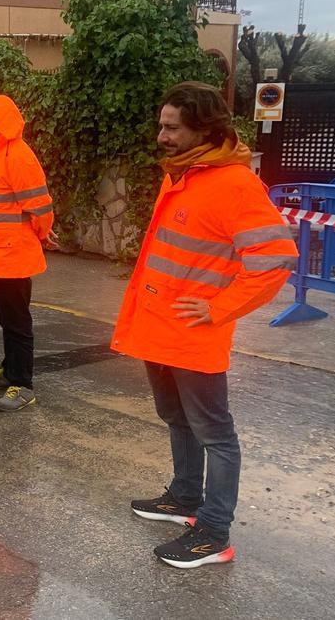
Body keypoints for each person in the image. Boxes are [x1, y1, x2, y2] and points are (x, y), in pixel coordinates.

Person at [113, 81, 298, 568]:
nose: (161, 136)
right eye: (161, 125)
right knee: (177, 419)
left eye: (171, 127)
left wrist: (219, 308)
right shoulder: (184, 175)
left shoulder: (234, 184)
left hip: (194, 336)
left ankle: (214, 533)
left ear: (204, 129)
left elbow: (276, 258)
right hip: (161, 329)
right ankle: (184, 498)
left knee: (216, 434)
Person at [0, 95, 54, 412]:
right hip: (0, 255)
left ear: (1, 124)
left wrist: (43, 234)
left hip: (14, 255)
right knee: (6, 317)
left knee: (17, 321)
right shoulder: (0, 154)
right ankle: (9, 373)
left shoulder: (17, 156)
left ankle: (23, 385)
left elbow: (40, 206)